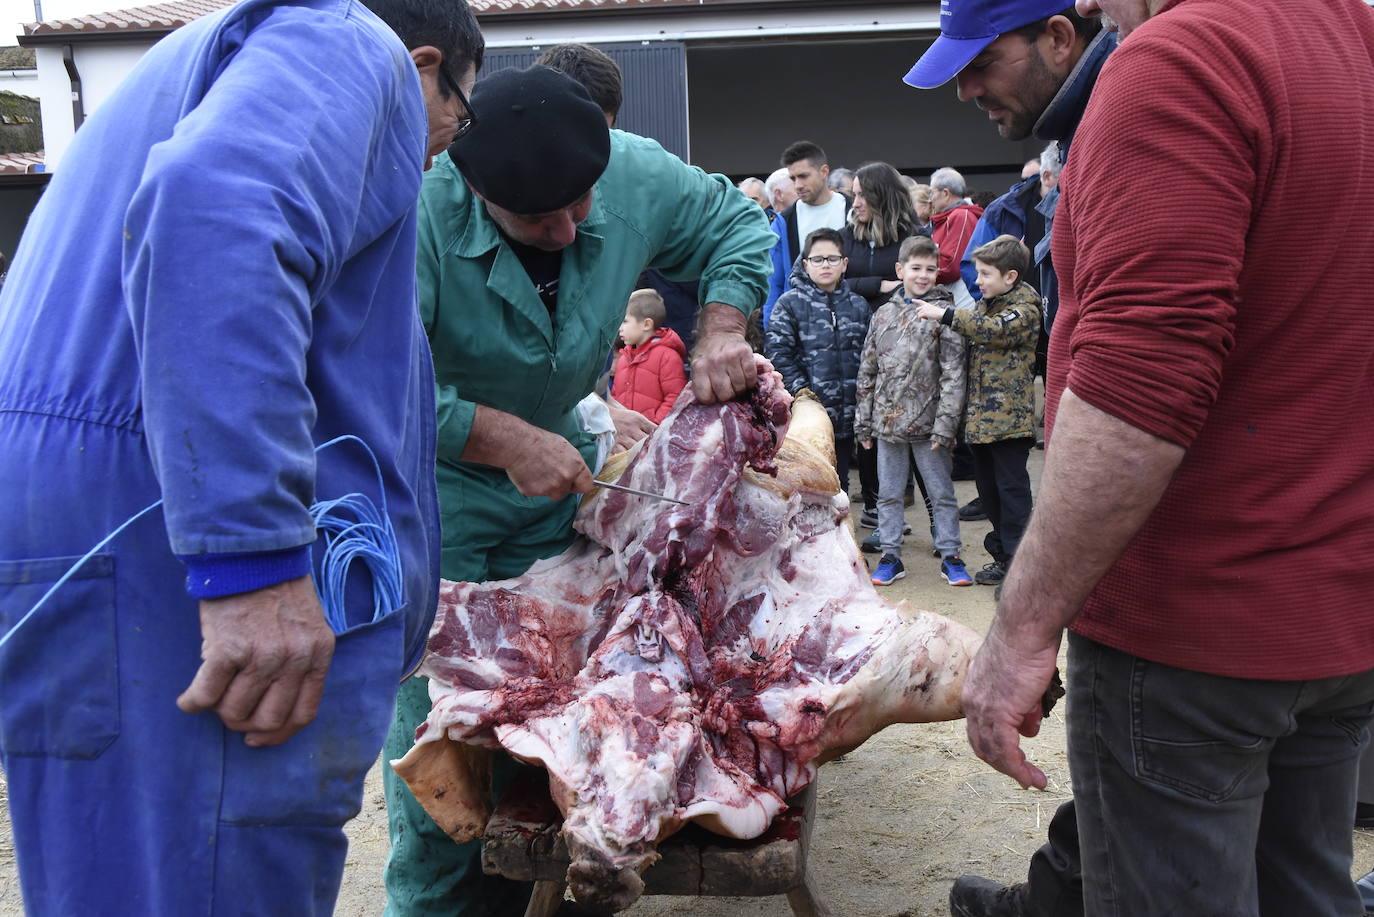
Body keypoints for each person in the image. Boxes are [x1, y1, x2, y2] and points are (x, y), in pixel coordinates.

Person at [0, 0, 482, 912]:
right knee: (208, 873)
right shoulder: (348, 40)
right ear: (425, 65)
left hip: (86, 521)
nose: (444, 149)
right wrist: (249, 558)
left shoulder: (186, 68)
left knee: (121, 877)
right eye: (461, 115)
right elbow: (219, 213)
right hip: (161, 532)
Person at [959, 0, 1374, 915]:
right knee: (1307, 890)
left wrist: (1021, 630)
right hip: (1335, 609)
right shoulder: (1354, 38)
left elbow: (1142, 380)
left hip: (1194, 631)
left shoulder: (1180, 58)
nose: (1096, 6)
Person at [383, 64, 773, 916]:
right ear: (474, 187)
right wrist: (500, 437)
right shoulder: (411, 214)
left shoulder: (630, 167)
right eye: (535, 217)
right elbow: (368, 384)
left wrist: (721, 324)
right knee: (444, 753)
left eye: (582, 203)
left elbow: (738, 224)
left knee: (549, 726)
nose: (567, 230)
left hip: (556, 483)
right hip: (430, 492)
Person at [904, 3, 1115, 910]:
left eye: (983, 61)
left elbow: (1138, 393)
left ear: (1060, 38)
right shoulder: (1085, 137)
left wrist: (1027, 626)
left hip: (1186, 578)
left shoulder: (1149, 104)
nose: (966, 87)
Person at [916, 235, 1038, 589]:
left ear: (1010, 277)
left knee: (1012, 492)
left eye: (985, 274)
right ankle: (1004, 555)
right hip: (981, 424)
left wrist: (947, 315)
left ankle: (1020, 561)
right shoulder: (988, 303)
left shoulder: (1024, 306)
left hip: (1009, 425)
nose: (978, 281)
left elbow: (993, 331)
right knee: (989, 492)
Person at [856, 235, 971, 588]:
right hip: (887, 424)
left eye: (930, 269)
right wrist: (864, 422)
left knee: (941, 493)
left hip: (930, 425)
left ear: (938, 273)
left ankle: (950, 554)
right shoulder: (883, 314)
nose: (922, 275)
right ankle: (891, 554)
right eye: (915, 268)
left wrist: (946, 426)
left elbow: (954, 373)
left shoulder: (945, 315)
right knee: (889, 493)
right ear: (900, 269)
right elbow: (868, 369)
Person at [764, 227, 870, 494]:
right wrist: (805, 395)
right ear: (805, 264)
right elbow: (779, 354)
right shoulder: (789, 304)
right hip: (809, 415)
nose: (826, 265)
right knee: (817, 482)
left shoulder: (858, 305)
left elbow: (871, 356)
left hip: (851, 411)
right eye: (818, 259)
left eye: (832, 259)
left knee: (843, 479)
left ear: (844, 264)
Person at [763, 140, 852, 325]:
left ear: (824, 172)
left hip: (850, 321)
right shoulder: (784, 222)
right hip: (801, 325)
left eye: (803, 176)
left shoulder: (852, 211)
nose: (798, 185)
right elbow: (774, 282)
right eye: (793, 178)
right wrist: (771, 329)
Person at [612, 288, 689, 423]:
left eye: (625, 321)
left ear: (646, 324)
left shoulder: (667, 357)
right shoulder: (624, 358)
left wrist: (655, 426)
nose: (620, 328)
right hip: (625, 434)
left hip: (652, 435)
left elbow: (675, 397)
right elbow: (615, 396)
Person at [927, 166, 983, 306]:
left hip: (961, 298)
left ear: (945, 193)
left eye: (931, 193)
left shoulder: (961, 216)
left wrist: (922, 273)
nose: (930, 199)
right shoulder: (948, 217)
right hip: (950, 296)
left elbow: (951, 266)